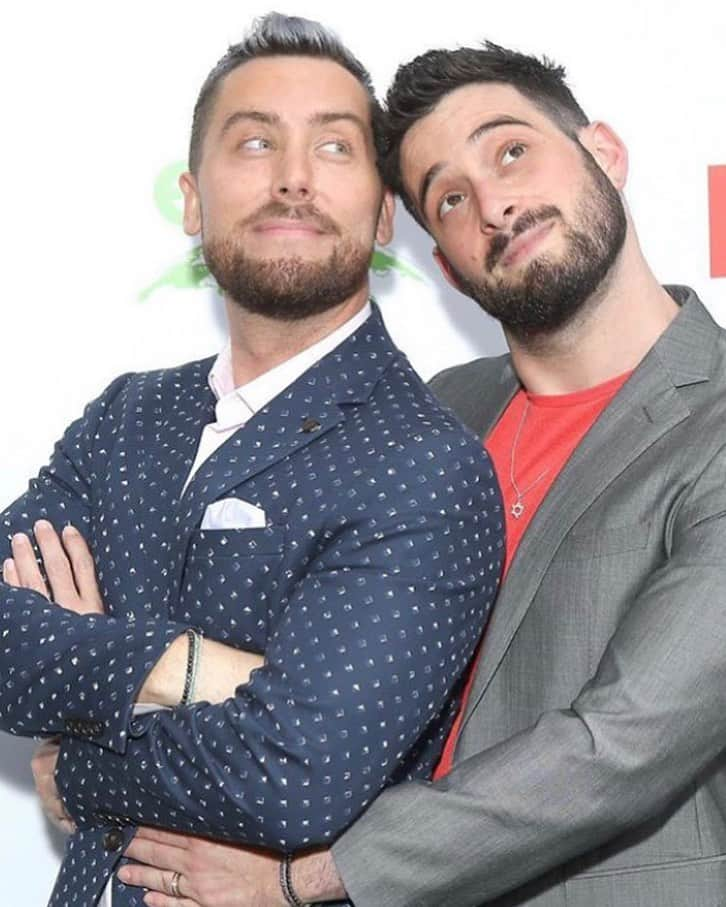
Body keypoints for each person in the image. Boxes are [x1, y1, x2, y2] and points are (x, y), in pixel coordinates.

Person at [117, 39, 726, 907]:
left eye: (511, 150)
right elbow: (293, 669)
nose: (494, 203)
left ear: (605, 152)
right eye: (449, 197)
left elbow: (623, 743)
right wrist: (107, 735)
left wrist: (303, 880)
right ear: (443, 263)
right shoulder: (429, 416)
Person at [0, 17, 505, 907]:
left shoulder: (426, 462)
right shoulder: (129, 415)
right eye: (257, 141)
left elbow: (292, 772)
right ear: (193, 200)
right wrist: (187, 666)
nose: (293, 177)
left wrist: (75, 761)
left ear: (385, 212)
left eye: (336, 147)